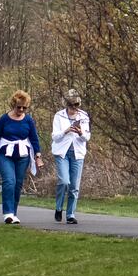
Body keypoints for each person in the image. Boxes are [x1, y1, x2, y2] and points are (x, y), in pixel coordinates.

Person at [0, 90, 43, 225]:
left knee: (18, 184)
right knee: (9, 181)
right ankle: (8, 213)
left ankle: (14, 213)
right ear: (14, 104)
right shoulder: (4, 119)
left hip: (22, 155)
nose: (21, 109)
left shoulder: (28, 120)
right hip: (5, 153)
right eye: (19, 107)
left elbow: (34, 139)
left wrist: (38, 156)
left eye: (24, 107)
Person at [50, 89, 90, 225]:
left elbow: (87, 137)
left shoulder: (84, 116)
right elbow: (55, 136)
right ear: (67, 104)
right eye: (72, 105)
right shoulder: (59, 116)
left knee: (74, 186)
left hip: (77, 154)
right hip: (62, 152)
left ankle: (70, 214)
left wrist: (80, 132)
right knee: (64, 181)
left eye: (77, 105)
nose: (75, 108)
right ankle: (59, 207)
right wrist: (66, 131)